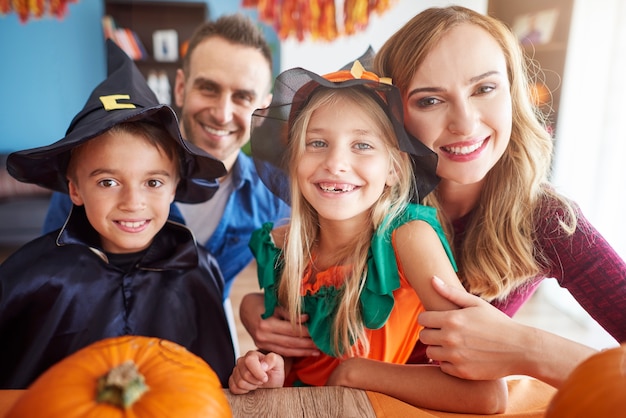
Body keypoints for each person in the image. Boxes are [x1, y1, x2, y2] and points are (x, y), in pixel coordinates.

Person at [239, 5, 626, 389]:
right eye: (430, 100)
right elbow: (308, 281)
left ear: (513, 93)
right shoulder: (364, 193)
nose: (465, 122)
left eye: (485, 88)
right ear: (391, 117)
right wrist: (256, 309)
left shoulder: (549, 220)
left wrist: (529, 347)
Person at [228, 62, 507, 414]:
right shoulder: (281, 247)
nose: (336, 162)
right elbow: (290, 372)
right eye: (317, 142)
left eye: (361, 145)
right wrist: (267, 373)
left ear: (393, 169)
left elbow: (487, 395)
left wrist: (354, 372)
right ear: (294, 161)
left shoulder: (408, 237)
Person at [0, 40, 235, 389]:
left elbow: (216, 387)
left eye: (153, 182)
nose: (132, 202)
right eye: (108, 181)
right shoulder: (31, 276)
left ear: (174, 189)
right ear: (75, 189)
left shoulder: (198, 269)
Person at [42, 13, 290, 300]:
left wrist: (253, 307)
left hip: (208, 333)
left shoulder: (272, 198)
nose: (222, 114)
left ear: (263, 108)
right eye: (208, 88)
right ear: (181, 88)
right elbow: (53, 272)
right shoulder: (98, 172)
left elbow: (288, 284)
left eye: (242, 97)